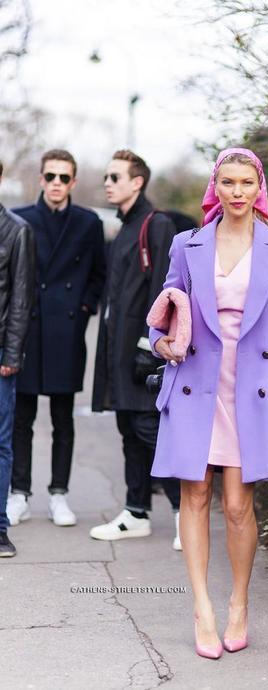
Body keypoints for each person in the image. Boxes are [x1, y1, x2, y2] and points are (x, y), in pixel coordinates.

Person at [150, 147, 268, 658]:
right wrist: (161, 342)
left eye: (247, 183)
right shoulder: (186, 244)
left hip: (249, 387)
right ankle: (203, 609)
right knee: (194, 496)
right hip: (196, 380)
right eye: (229, 183)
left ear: (259, 187)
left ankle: (238, 602)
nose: (238, 192)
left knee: (239, 506)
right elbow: (164, 310)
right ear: (216, 188)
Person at [7, 149, 106, 528]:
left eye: (64, 178)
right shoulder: (20, 219)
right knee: (22, 418)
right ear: (41, 179)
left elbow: (99, 274)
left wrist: (83, 310)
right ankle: (19, 494)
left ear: (74, 182)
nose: (57, 184)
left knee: (64, 418)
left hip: (67, 331)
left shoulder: (88, 222)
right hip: (29, 331)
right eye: (51, 176)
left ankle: (59, 494)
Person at [90, 150, 182, 549]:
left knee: (150, 429)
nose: (108, 183)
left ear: (137, 181)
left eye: (115, 176)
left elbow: (166, 289)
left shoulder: (156, 225)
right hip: (116, 347)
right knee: (128, 426)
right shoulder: (125, 226)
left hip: (143, 351)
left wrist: (150, 347)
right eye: (107, 177)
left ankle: (184, 516)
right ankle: (136, 512)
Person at [0, 160, 36, 556]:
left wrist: (11, 354)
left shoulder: (16, 230)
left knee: (0, 442)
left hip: (0, 355)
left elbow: (21, 299)